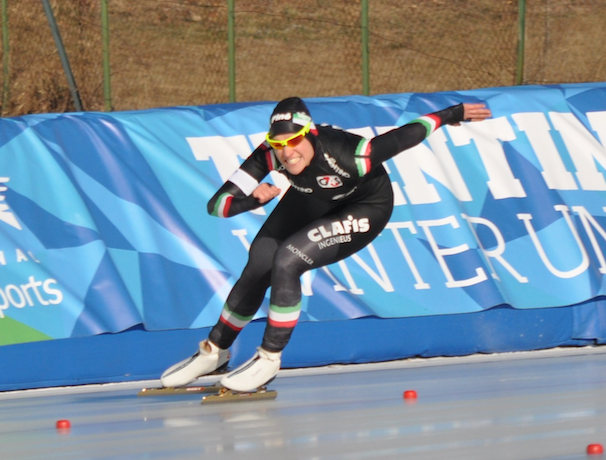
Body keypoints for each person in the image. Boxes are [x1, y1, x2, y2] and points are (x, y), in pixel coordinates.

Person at [161, 96, 492, 392]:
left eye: (293, 142)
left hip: (364, 207)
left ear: (309, 134)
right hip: (312, 198)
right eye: (278, 144)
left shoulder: (351, 155)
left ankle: (269, 358)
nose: (287, 153)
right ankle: (215, 351)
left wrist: (452, 113)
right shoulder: (272, 154)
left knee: (288, 260)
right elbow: (217, 204)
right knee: (260, 261)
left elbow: (406, 136)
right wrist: (251, 202)